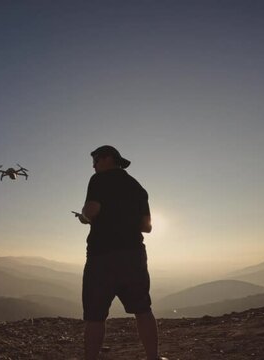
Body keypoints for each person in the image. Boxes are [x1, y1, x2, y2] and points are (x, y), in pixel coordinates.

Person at [76, 145, 164, 360]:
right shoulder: (137, 187)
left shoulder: (99, 180)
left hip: (101, 256)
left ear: (107, 159)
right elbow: (147, 226)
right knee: (143, 309)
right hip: (134, 255)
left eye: (95, 160)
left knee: (95, 315)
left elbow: (91, 211)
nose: (93, 165)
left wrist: (84, 218)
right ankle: (153, 357)